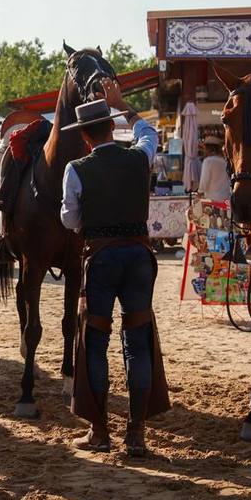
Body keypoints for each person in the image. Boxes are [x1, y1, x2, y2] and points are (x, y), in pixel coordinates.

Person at [57, 83, 160, 455]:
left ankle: (100, 431)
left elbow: (69, 219)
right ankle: (136, 433)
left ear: (85, 136)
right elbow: (149, 133)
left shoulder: (77, 168)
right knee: (137, 344)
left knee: (96, 344)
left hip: (100, 259)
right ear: (112, 128)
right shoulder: (138, 157)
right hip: (137, 258)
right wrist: (123, 105)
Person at [197, 134, 230, 203]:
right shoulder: (224, 161)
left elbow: (204, 182)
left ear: (208, 148)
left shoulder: (208, 161)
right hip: (226, 197)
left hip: (213, 199)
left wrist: (199, 193)